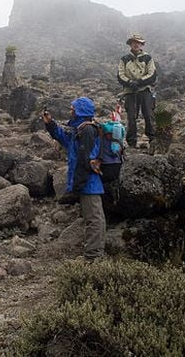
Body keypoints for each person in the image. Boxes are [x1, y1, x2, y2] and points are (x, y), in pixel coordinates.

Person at [42, 97, 106, 260]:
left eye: (73, 109)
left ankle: (94, 257)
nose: (70, 111)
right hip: (84, 181)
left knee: (94, 219)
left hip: (89, 182)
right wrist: (50, 123)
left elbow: (88, 160)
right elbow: (62, 137)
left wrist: (80, 181)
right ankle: (92, 253)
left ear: (80, 111)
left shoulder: (88, 131)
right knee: (91, 217)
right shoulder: (78, 130)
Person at [117, 33, 157, 149]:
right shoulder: (124, 59)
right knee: (131, 117)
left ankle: (152, 139)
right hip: (130, 91)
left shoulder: (148, 58)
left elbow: (152, 74)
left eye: (138, 42)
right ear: (130, 44)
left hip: (145, 90)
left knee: (149, 114)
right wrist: (129, 82)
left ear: (141, 44)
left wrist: (139, 81)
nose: (136, 44)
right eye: (134, 42)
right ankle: (131, 143)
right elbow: (120, 75)